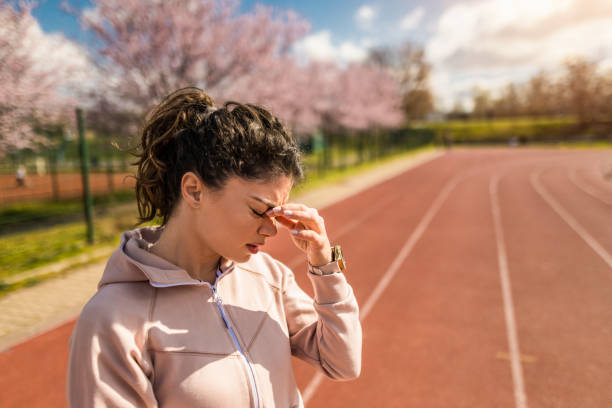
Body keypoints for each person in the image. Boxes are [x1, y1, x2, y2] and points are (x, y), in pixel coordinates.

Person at [66, 87, 362, 407]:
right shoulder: (111, 320)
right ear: (194, 190)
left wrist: (327, 262)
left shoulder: (269, 277)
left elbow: (343, 363)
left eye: (277, 212)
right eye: (257, 210)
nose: (271, 229)